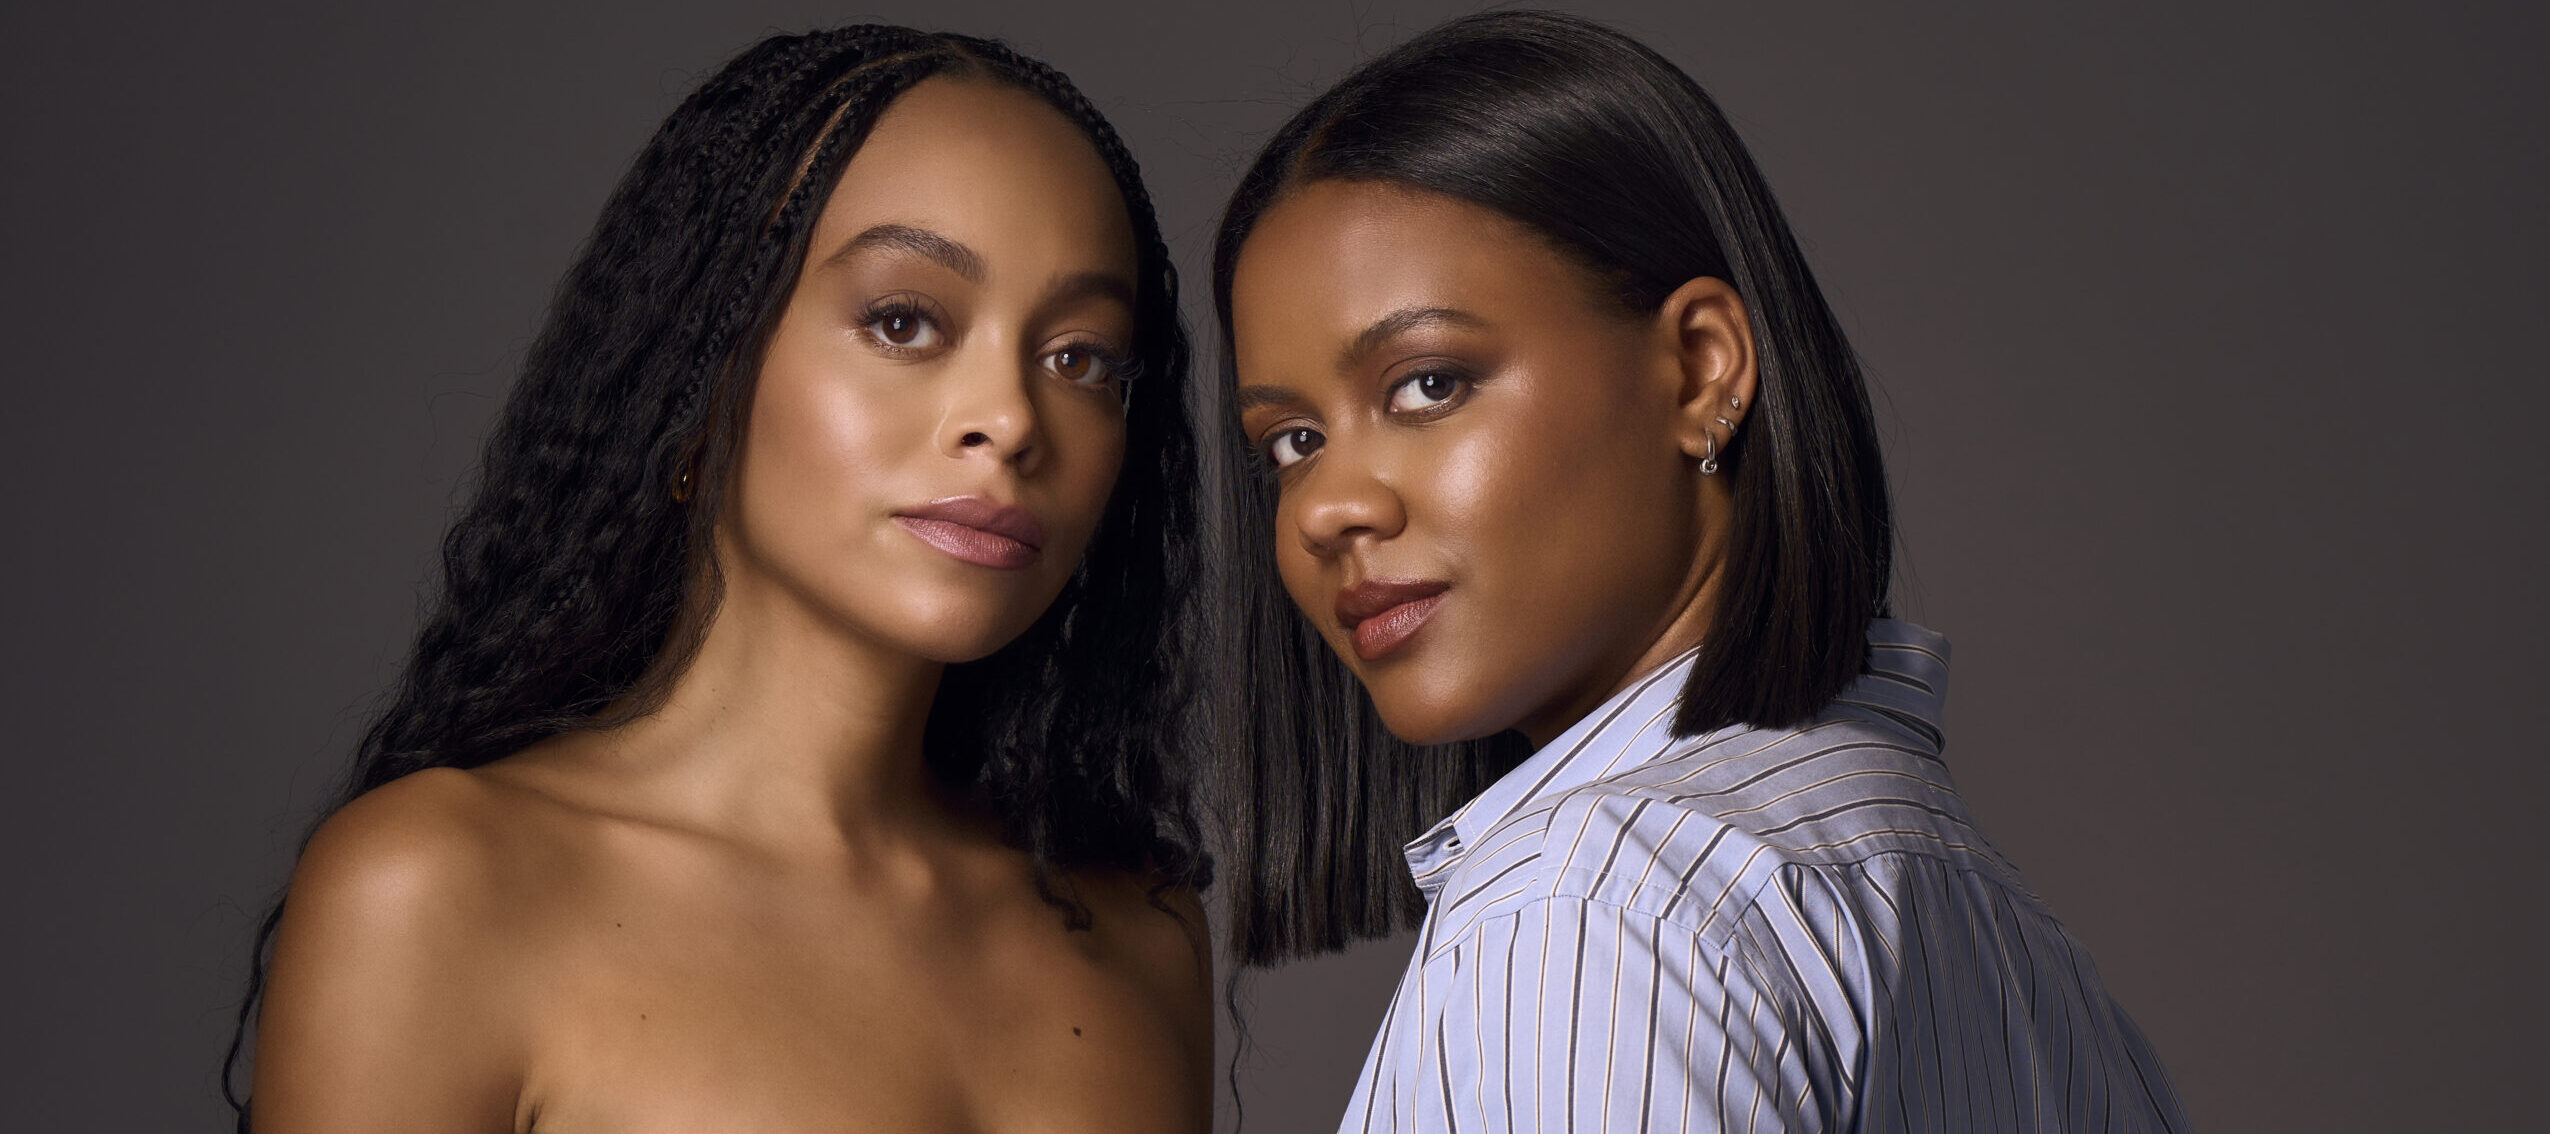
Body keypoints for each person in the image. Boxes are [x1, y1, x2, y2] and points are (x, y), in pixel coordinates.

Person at [1208, 11, 2187, 1132]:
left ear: (1699, 369)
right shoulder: (2011, 945)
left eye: (1427, 384)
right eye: (1291, 443)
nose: (1329, 506)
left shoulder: (1596, 905)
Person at [225, 26, 1212, 1134]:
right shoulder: (436, 893)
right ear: (704, 377)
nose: (1014, 419)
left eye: (1081, 358)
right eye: (904, 321)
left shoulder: (1138, 932)